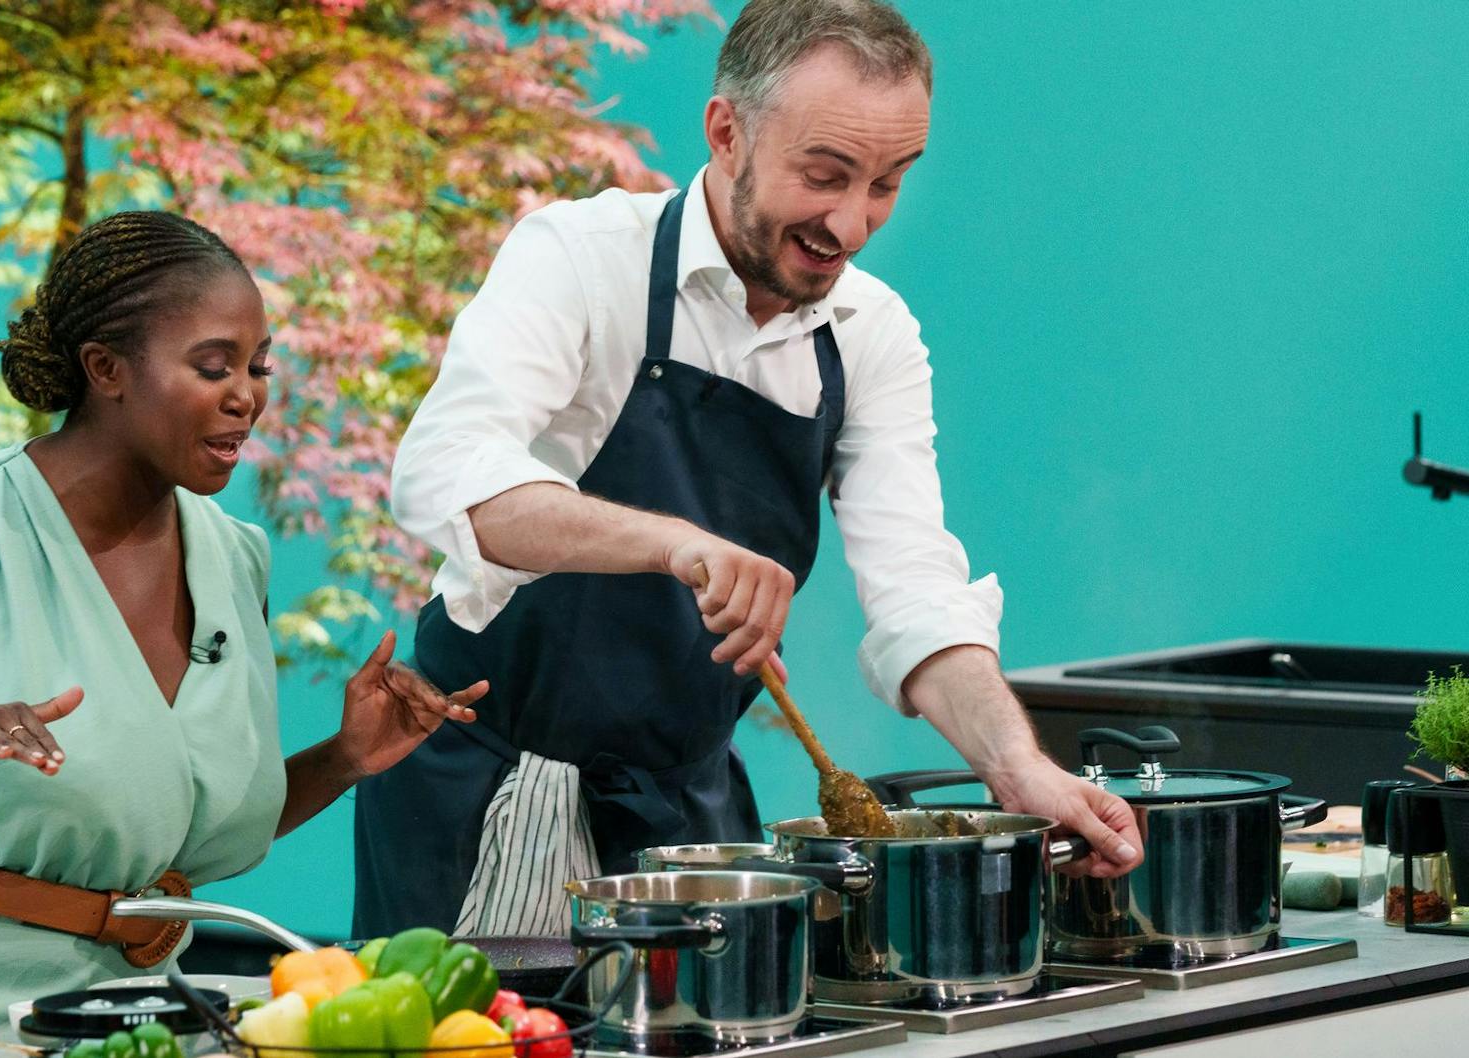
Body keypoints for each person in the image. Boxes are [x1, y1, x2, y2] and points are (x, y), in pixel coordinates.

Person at [354, 0, 1142, 937]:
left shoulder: (871, 337)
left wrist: (1017, 766)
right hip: (485, 789)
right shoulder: (580, 259)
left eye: (888, 183)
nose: (850, 224)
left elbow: (916, 594)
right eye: (825, 174)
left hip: (686, 822)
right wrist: (678, 545)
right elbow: (447, 471)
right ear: (727, 132)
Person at [0, 211, 487, 1016]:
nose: (246, 397)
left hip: (132, 1013)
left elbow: (153, 827)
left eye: (259, 366)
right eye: (212, 368)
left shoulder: (235, 556)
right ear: (106, 368)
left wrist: (342, 760)